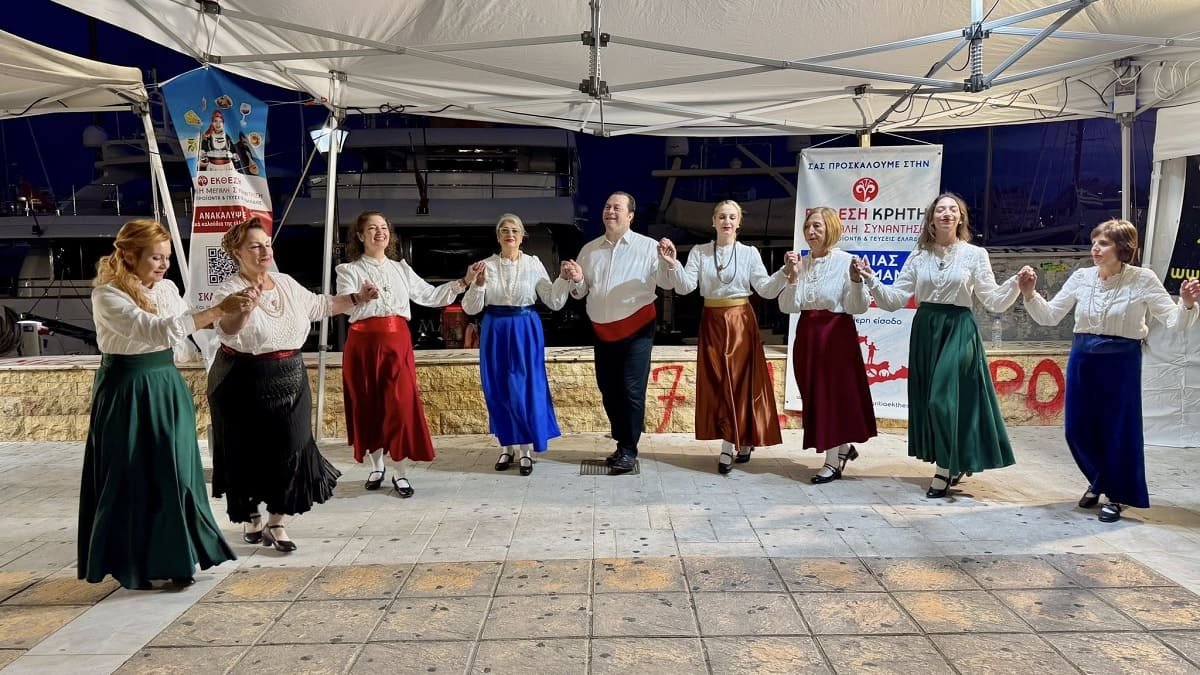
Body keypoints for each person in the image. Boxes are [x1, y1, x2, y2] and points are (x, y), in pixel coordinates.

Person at [79, 219, 247, 590]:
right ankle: (134, 564)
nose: (164, 264)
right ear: (130, 255)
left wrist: (237, 316)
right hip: (127, 387)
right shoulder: (108, 295)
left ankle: (178, 558)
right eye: (155, 257)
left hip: (166, 383)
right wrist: (217, 309)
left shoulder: (168, 288)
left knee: (176, 471)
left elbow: (187, 327)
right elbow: (158, 330)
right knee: (132, 475)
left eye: (167, 257)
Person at [209, 218, 379, 552]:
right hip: (242, 379)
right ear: (237, 252)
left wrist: (357, 298)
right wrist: (244, 310)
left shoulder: (285, 283)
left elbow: (322, 305)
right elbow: (227, 330)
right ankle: (251, 517)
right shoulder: (228, 290)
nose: (264, 251)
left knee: (294, 447)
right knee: (245, 452)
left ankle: (277, 521)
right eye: (255, 246)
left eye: (267, 244)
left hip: (290, 376)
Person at [1018, 219, 1198, 522]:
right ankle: (1101, 480)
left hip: (1121, 359)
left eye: (1103, 243)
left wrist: (1188, 305)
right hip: (1083, 356)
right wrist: (1029, 294)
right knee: (1076, 428)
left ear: (1122, 248)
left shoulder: (1142, 279)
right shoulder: (1082, 277)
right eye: (1094, 242)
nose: (1095, 249)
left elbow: (1173, 322)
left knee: (1117, 429)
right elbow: (1050, 316)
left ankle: (1117, 494)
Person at [856, 193, 1020, 498]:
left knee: (941, 400)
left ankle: (944, 469)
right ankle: (952, 460)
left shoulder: (975, 254)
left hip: (959, 328)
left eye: (953, 209)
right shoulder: (919, 256)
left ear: (960, 218)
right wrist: (871, 279)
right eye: (940, 209)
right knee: (937, 402)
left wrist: (1015, 284)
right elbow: (894, 300)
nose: (946, 213)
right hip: (927, 329)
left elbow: (994, 300)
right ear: (931, 219)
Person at [335, 210, 468, 496]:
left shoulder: (400, 269)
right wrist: (360, 297)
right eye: (372, 228)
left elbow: (429, 296)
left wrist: (463, 283)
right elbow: (343, 304)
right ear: (360, 235)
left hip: (397, 343)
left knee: (400, 404)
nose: (379, 232)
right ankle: (376, 466)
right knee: (368, 404)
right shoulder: (349, 270)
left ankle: (401, 472)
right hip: (362, 344)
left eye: (383, 227)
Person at [658, 200, 788, 473]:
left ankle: (729, 444)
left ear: (739, 223)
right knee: (719, 382)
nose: (727, 221)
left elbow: (765, 289)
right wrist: (673, 264)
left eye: (732, 217)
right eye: (722, 217)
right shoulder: (700, 252)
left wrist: (785, 272)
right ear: (713, 222)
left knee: (739, 383)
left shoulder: (749, 253)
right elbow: (685, 287)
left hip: (740, 321)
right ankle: (741, 439)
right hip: (712, 322)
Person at [561, 192, 673, 473]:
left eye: (617, 207)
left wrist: (668, 262)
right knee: (608, 390)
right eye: (607, 206)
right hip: (603, 332)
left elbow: (667, 283)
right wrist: (577, 280)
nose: (610, 211)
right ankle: (622, 441)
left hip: (638, 329)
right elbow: (580, 292)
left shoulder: (649, 247)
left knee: (632, 389)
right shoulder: (589, 250)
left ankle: (628, 449)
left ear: (631, 216)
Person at [462, 214, 572, 475]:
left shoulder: (533, 264)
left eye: (515, 230)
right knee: (499, 387)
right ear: (498, 236)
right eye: (504, 230)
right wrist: (478, 286)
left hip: (525, 327)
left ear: (522, 236)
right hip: (495, 327)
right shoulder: (485, 265)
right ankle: (506, 446)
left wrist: (563, 279)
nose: (510, 234)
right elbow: (470, 307)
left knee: (525, 387)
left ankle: (525, 450)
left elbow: (553, 300)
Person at [778, 207, 878, 483]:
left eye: (817, 226)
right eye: (808, 227)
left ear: (831, 228)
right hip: (807, 335)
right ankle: (842, 448)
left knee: (831, 396)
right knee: (814, 395)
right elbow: (787, 306)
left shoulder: (846, 262)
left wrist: (856, 281)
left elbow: (857, 307)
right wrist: (792, 277)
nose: (811, 232)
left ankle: (832, 462)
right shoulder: (801, 263)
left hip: (836, 335)